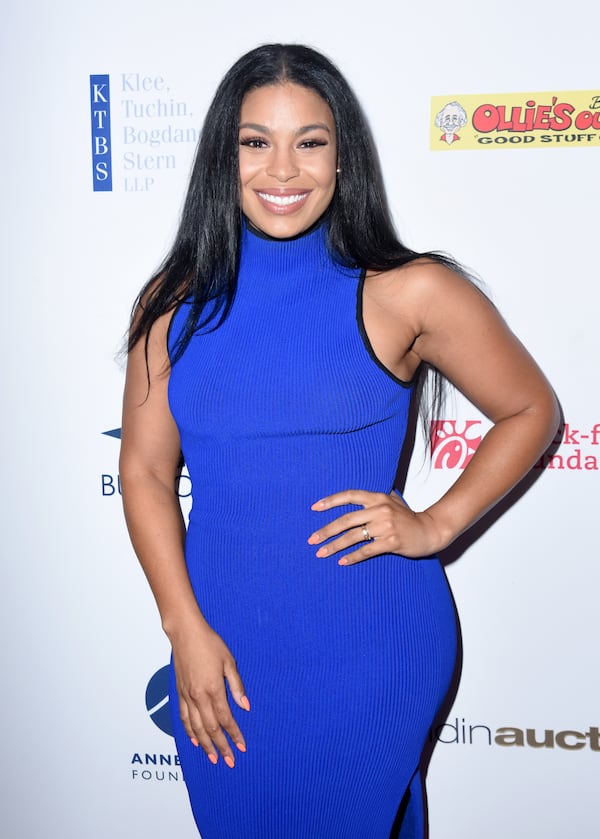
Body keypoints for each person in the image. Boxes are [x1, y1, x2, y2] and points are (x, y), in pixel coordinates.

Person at [120, 44, 559, 839]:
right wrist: (183, 627)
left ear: (342, 156)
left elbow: (531, 409)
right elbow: (146, 472)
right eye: (256, 141)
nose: (282, 169)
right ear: (225, 155)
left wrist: (435, 522)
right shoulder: (174, 298)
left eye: (310, 142)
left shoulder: (407, 289)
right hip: (220, 638)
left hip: (369, 642)